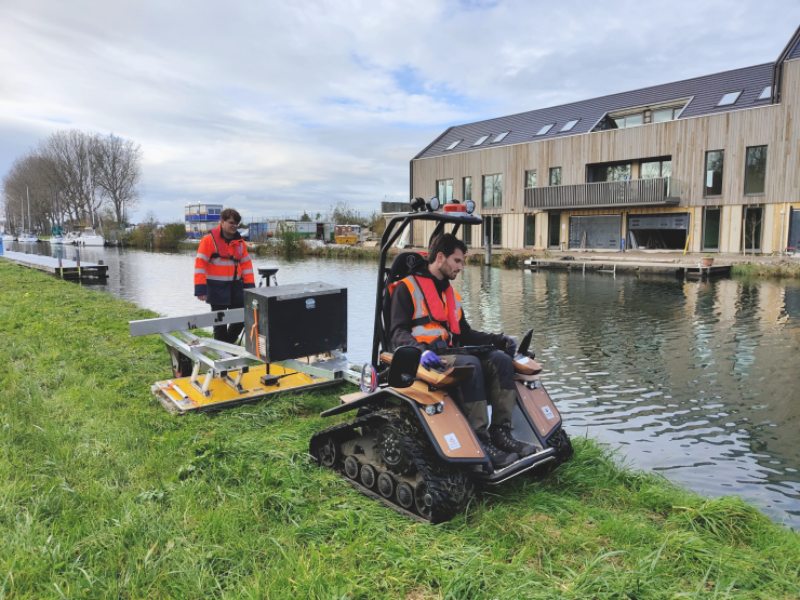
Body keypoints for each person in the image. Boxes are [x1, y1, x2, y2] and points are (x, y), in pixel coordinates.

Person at [390, 233, 537, 468]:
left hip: (451, 353)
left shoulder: (452, 296)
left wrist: (499, 340)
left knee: (500, 360)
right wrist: (420, 351)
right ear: (440, 257)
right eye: (457, 261)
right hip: (427, 358)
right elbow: (397, 332)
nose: (461, 266)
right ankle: (479, 438)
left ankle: (501, 432)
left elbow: (465, 334)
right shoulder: (406, 288)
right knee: (471, 364)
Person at [194, 208, 255, 343]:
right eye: (231, 222)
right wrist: (200, 289)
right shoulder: (208, 241)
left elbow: (246, 266)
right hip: (216, 289)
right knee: (220, 324)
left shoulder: (239, 243)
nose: (235, 226)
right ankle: (222, 355)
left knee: (241, 317)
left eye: (237, 223)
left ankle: (227, 346)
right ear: (222, 222)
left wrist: (250, 288)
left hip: (236, 288)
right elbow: (200, 265)